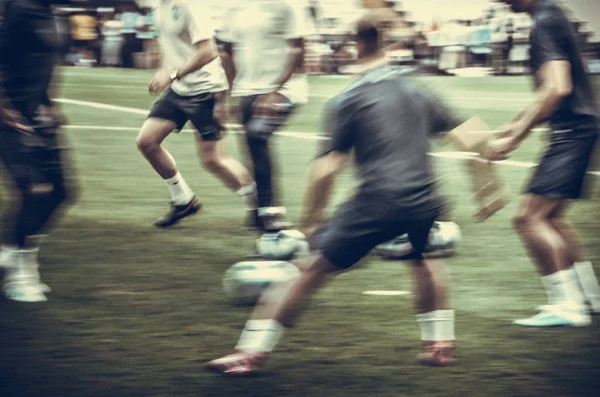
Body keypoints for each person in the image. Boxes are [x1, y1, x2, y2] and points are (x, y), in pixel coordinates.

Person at [206, 17, 474, 376]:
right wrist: (490, 185)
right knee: (426, 259)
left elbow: (327, 169)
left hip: (377, 202)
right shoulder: (418, 89)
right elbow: (471, 138)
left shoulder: (348, 98)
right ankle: (439, 345)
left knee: (307, 271)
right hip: (424, 200)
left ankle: (249, 353)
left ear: (355, 48)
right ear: (387, 45)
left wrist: (311, 221)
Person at [489, 0, 600, 327]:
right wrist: (514, 124)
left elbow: (556, 88)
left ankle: (567, 305)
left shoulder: (544, 20)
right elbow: (557, 91)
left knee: (529, 218)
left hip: (572, 131)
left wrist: (514, 139)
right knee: (552, 218)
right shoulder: (553, 12)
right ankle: (589, 297)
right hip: (580, 128)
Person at [136, 0, 255, 229]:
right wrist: (164, 70)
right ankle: (184, 200)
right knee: (147, 142)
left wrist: (171, 75)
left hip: (205, 90)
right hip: (180, 88)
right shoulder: (159, 7)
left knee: (213, 160)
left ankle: (258, 205)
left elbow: (208, 51)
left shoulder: (191, 4)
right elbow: (170, 47)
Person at [0, 0, 77, 302]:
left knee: (62, 191)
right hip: (11, 117)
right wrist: (4, 106)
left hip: (41, 115)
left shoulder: (56, 11)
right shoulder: (18, 8)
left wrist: (51, 104)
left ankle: (11, 249)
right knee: (32, 190)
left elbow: (43, 64)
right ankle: (21, 270)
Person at [218, 0, 310, 232]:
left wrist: (275, 91)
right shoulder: (235, 7)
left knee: (257, 134)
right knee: (250, 146)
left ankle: (272, 211)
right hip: (246, 90)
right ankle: (259, 210)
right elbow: (227, 52)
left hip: (285, 90)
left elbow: (298, 49)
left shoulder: (289, 5)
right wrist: (226, 96)